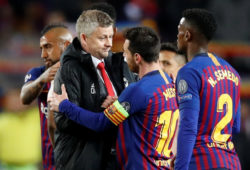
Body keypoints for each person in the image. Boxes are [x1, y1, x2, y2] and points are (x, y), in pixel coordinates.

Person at [49, 26, 179, 169]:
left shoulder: (137, 90)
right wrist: (121, 103)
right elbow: (149, 111)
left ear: (137, 57)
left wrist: (64, 105)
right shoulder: (167, 81)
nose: (123, 57)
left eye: (126, 52)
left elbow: (100, 123)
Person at [52, 10, 136, 170]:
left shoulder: (120, 64)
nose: (109, 43)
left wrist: (118, 108)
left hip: (115, 160)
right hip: (82, 160)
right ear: (84, 38)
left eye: (110, 36)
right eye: (102, 37)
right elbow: (63, 121)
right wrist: (107, 114)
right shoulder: (70, 69)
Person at [174, 8, 241, 170]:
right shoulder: (233, 72)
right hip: (231, 163)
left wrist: (180, 167)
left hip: (202, 162)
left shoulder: (189, 71)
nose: (177, 36)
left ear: (188, 35)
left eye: (179, 31)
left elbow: (188, 127)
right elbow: (236, 126)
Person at [20, 24, 73, 170]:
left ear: (66, 45)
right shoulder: (38, 73)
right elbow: (24, 98)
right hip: (50, 161)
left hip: (76, 160)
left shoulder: (82, 75)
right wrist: (42, 79)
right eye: (41, 48)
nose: (43, 55)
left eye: (48, 47)